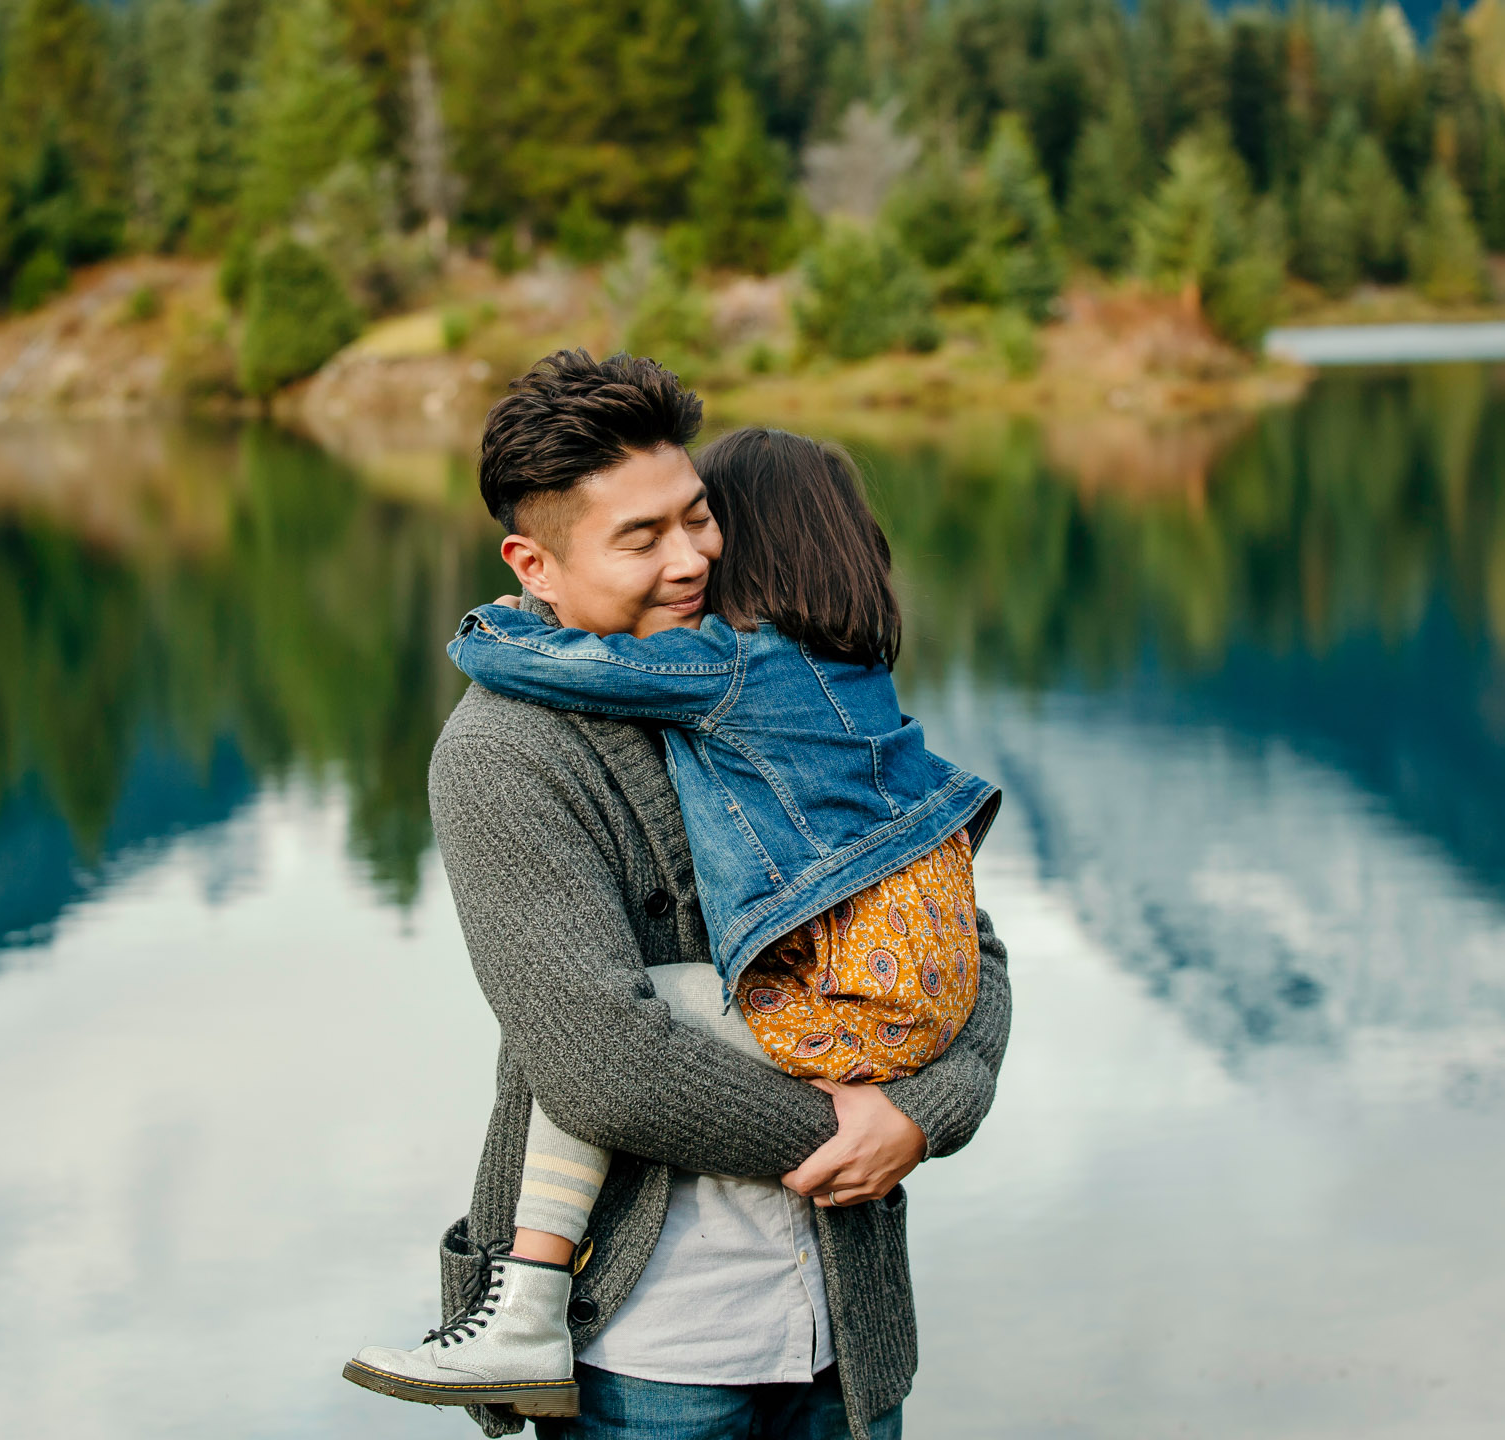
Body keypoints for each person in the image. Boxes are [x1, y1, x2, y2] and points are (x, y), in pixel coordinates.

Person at [344, 351, 1012, 1440]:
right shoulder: (504, 754)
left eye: (698, 517)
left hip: (847, 1331)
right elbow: (602, 1063)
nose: (695, 556)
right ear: (534, 564)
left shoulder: (771, 682)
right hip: (648, 1355)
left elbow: (965, 941)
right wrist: (856, 1127)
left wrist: (925, 1114)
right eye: (641, 538)